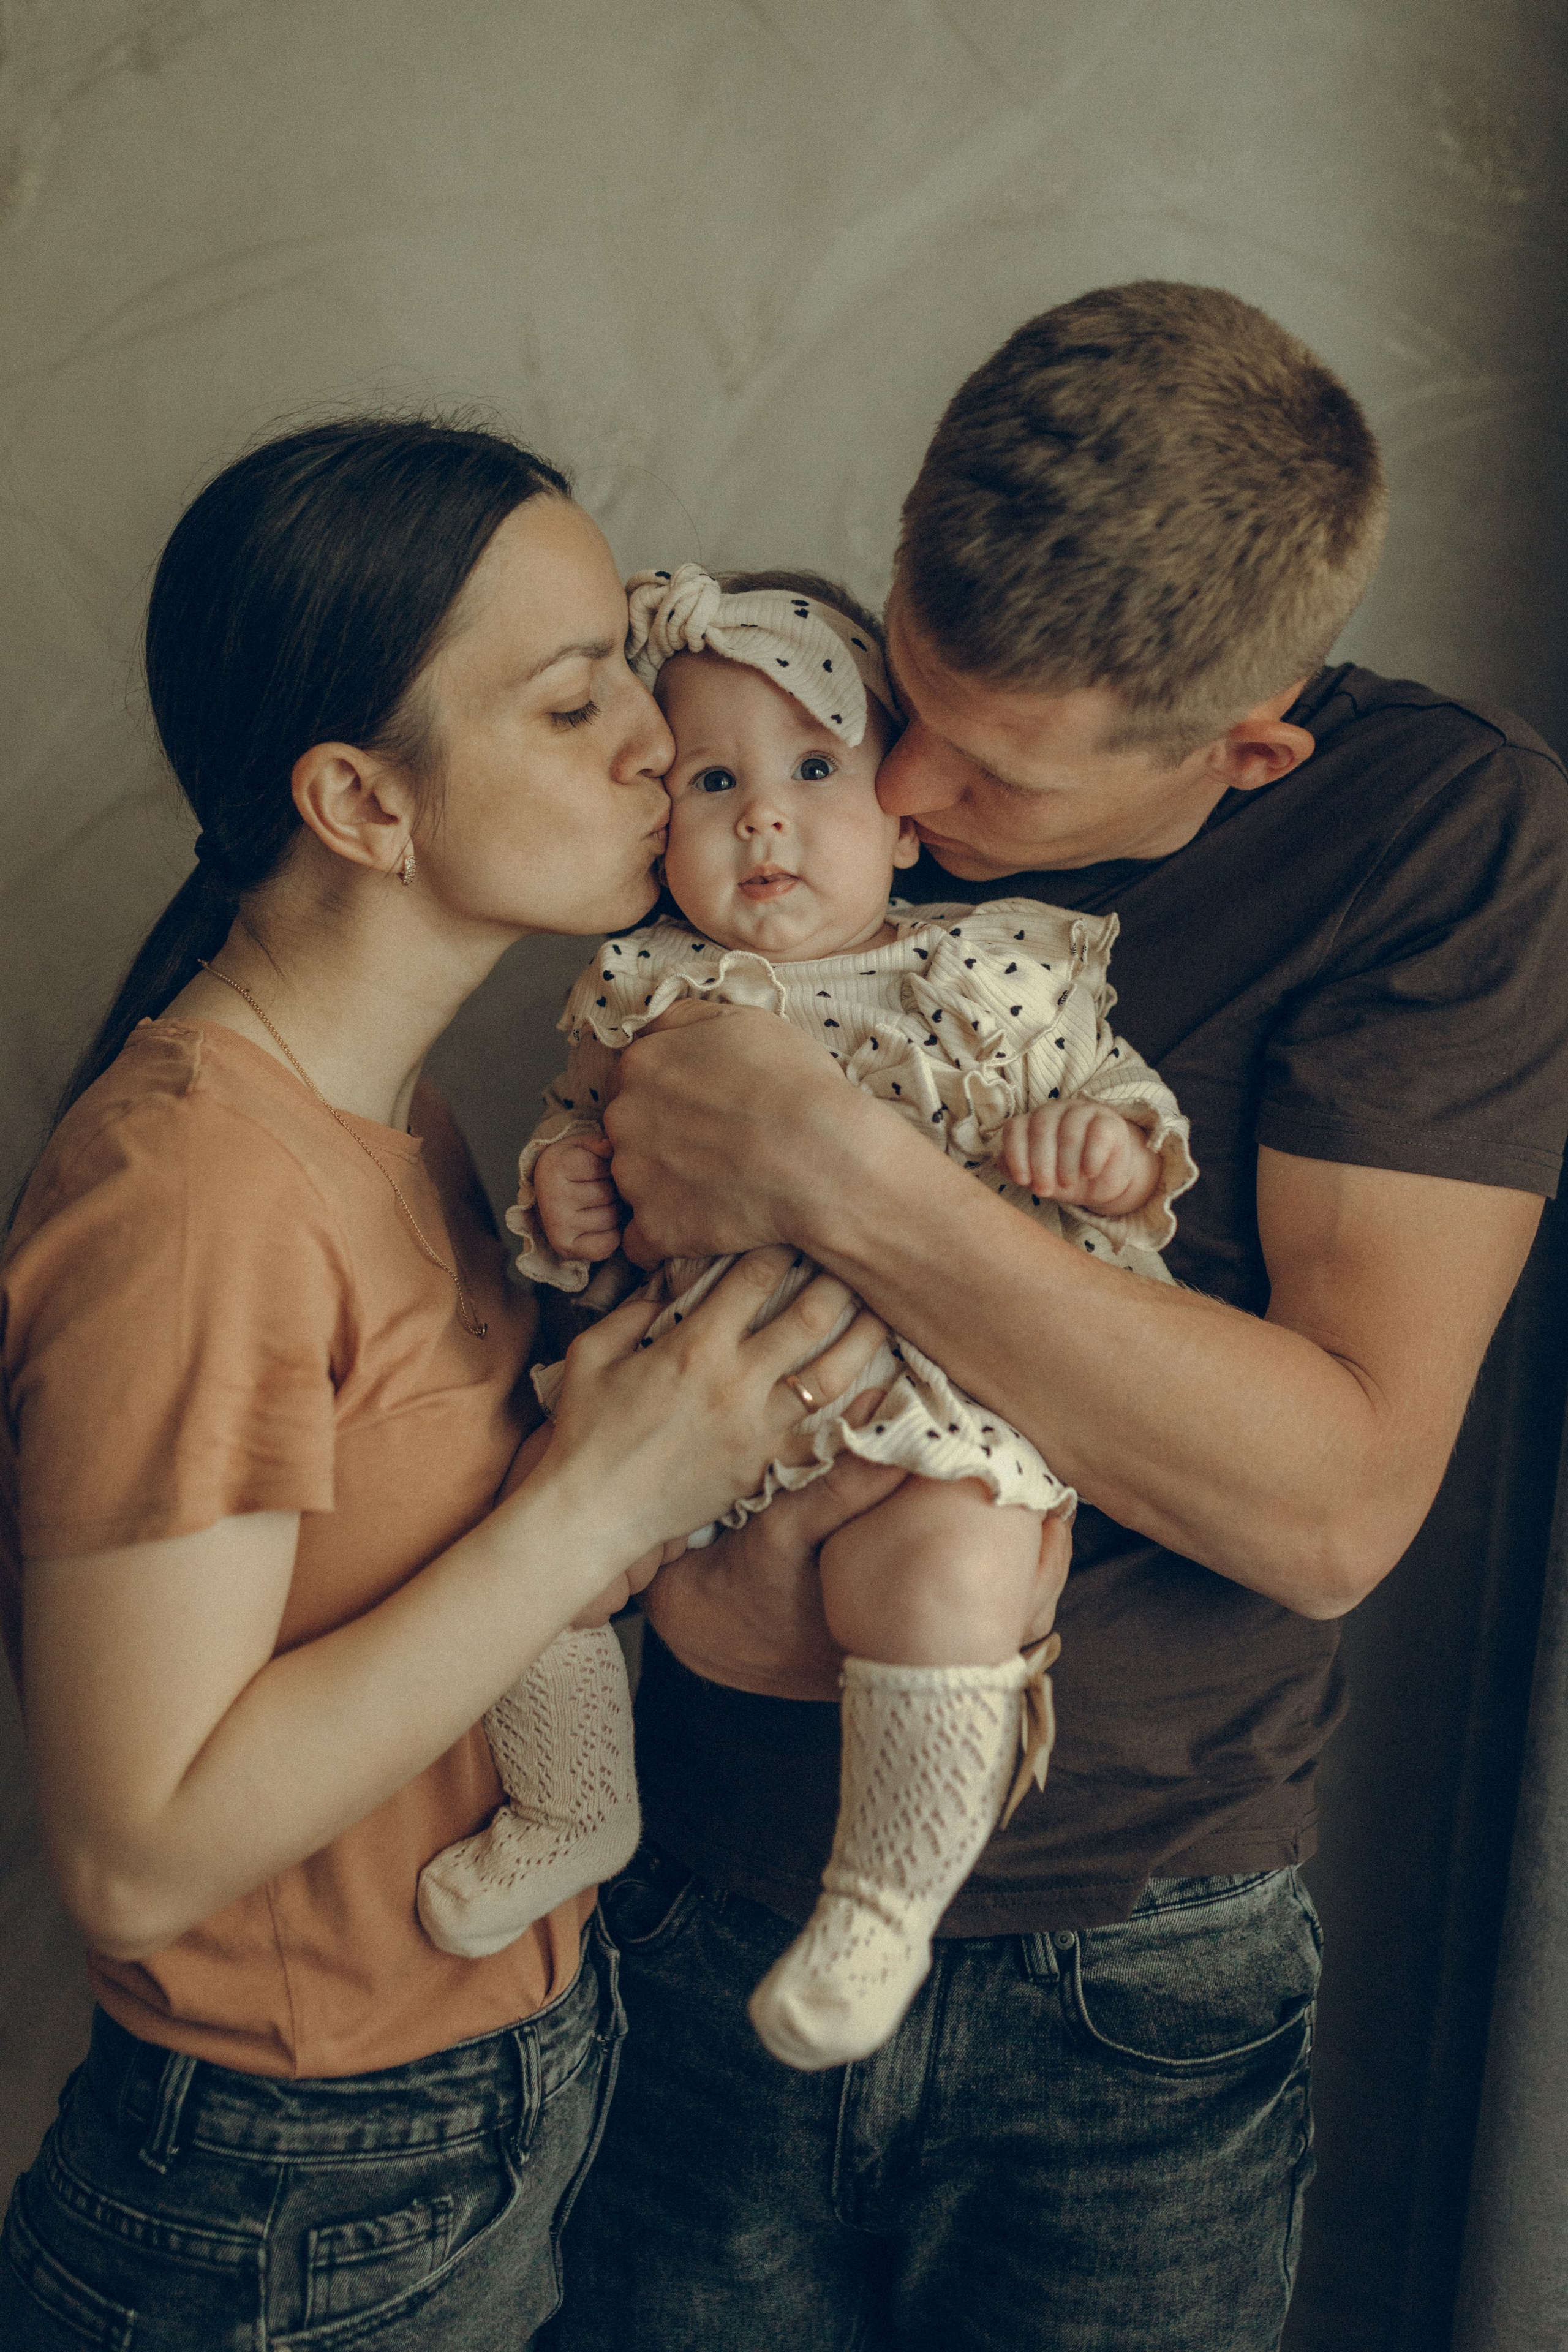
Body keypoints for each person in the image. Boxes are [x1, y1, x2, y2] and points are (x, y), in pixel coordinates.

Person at [546, 283, 1568, 2351]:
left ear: (1247, 748)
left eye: (989, 772)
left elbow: (1333, 1500)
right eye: (895, 696)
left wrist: (832, 1166)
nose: (892, 797)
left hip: (1130, 1964)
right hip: (683, 1885)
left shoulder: (1434, 844)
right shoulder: (781, 729)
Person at [0, 417, 918, 2351]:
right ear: (361, 800)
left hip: (479, 2115)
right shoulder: (198, 1193)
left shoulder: (396, 1117)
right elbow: (135, 1850)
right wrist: (603, 1500)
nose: (661, 749)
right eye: (580, 703)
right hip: (287, 2203)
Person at [416, 560, 1194, 2074]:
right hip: (682, 1397)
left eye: (812, 768)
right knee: (525, 1544)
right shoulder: (640, 991)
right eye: (712, 779)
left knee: (950, 1564)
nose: (761, 815)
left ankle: (881, 1902)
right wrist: (565, 1196)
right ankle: (574, 1800)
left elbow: (1125, 1112)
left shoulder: (992, 968)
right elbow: (572, 1146)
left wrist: (1103, 1149)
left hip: (923, 1404)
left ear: (903, 817)